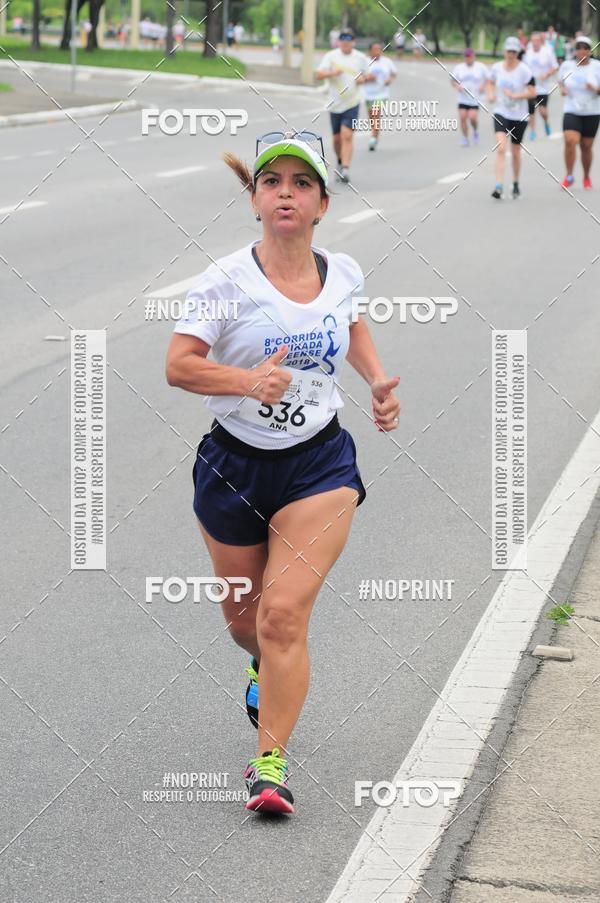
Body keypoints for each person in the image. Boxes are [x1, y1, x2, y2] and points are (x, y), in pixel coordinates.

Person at [165, 129, 400, 814]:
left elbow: (351, 325)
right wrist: (242, 379)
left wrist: (378, 381)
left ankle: (268, 764)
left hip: (318, 464)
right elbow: (178, 365)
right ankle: (258, 664)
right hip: (233, 466)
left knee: (283, 614)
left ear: (323, 202)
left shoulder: (344, 270)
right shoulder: (223, 281)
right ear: (256, 200)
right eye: (274, 182)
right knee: (245, 622)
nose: (287, 193)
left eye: (302, 183)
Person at [315, 28, 373, 183]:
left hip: (353, 102)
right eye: (343, 41)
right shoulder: (331, 56)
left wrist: (363, 79)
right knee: (336, 139)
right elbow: (319, 74)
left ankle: (346, 169)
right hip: (335, 103)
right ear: (339, 42)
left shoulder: (360, 58)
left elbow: (368, 74)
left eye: (349, 41)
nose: (345, 44)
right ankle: (340, 161)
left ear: (353, 42)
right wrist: (332, 73)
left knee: (347, 135)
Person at [487, 36, 536, 199]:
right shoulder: (496, 68)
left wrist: (515, 95)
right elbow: (490, 82)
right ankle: (498, 185)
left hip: (519, 116)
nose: (511, 54)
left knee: (515, 152)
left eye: (514, 52)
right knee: (501, 148)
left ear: (518, 53)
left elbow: (532, 92)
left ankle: (515, 182)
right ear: (504, 51)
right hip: (501, 112)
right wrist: (491, 94)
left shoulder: (524, 70)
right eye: (509, 51)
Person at [558, 36, 600, 189]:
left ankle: (586, 176)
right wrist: (562, 89)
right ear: (575, 50)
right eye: (579, 48)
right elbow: (560, 81)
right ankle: (569, 175)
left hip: (592, 112)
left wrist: (595, 89)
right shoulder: (567, 66)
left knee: (586, 146)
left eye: (585, 48)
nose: (582, 51)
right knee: (571, 141)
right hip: (572, 110)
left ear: (590, 51)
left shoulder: (597, 67)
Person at [450, 48, 489, 146]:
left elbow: (488, 79)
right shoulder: (459, 68)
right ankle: (465, 138)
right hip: (462, 98)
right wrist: (457, 86)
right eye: (466, 57)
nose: (468, 59)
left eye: (470, 57)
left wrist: (483, 86)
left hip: (475, 98)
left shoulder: (481, 67)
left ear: (473, 56)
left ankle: (475, 131)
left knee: (472, 118)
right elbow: (452, 80)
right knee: (462, 117)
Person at [524, 31, 558, 139]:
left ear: (541, 41)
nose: (535, 43)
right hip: (530, 87)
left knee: (543, 111)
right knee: (531, 111)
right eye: (533, 40)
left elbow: (555, 67)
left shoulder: (547, 52)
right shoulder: (528, 53)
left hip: (543, 87)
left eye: (537, 40)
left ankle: (546, 123)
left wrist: (547, 74)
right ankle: (532, 131)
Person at [364, 42, 397, 150]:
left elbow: (393, 73)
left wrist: (389, 80)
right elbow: (357, 77)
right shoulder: (365, 62)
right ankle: (375, 133)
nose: (378, 51)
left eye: (379, 49)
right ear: (370, 51)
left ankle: (373, 137)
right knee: (372, 118)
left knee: (376, 115)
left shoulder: (386, 62)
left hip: (382, 94)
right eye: (375, 49)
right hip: (368, 95)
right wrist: (367, 78)